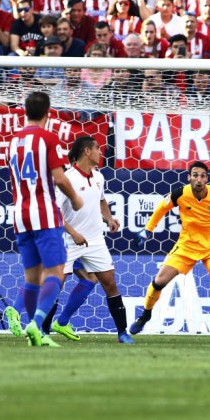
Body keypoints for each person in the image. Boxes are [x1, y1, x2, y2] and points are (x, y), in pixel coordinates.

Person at [4, 91, 85, 348]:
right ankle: (36, 325)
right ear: (48, 112)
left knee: (31, 277)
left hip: (19, 213)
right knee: (56, 273)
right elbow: (59, 178)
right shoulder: (48, 138)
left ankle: (33, 327)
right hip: (44, 213)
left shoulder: (13, 141)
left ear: (25, 111)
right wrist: (74, 199)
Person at [130, 161, 210, 337]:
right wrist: (147, 230)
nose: (199, 179)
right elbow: (161, 209)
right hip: (187, 245)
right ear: (189, 177)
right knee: (159, 281)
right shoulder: (180, 193)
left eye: (202, 176)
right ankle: (145, 316)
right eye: (195, 175)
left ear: (207, 179)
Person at [50, 136, 134, 344]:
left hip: (95, 241)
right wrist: (73, 233)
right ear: (87, 152)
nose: (100, 152)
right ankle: (43, 331)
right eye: (97, 148)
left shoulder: (98, 177)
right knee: (55, 285)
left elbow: (101, 200)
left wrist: (109, 218)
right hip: (69, 241)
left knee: (110, 284)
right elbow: (55, 212)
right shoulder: (67, 178)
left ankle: (123, 333)